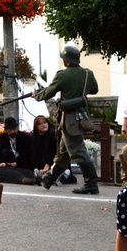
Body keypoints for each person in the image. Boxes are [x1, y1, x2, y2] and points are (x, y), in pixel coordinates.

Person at [33, 46, 100, 194]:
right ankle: (49, 178)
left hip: (69, 119)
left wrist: (36, 95)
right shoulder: (88, 74)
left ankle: (91, 183)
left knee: (79, 152)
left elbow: (48, 92)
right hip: (81, 116)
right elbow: (94, 90)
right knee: (64, 152)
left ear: (67, 61)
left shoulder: (62, 75)